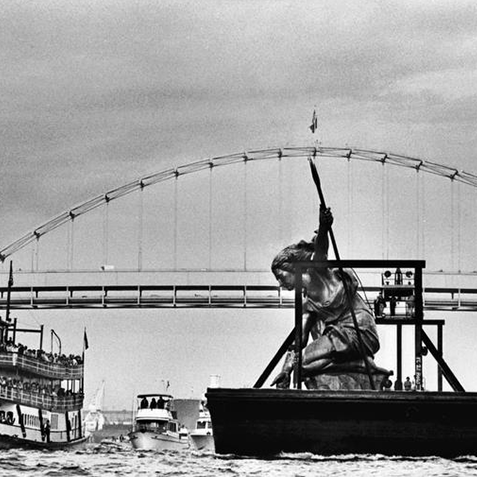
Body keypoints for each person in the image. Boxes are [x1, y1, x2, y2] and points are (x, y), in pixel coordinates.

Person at [270, 206, 380, 388]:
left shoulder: (319, 273)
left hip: (361, 328)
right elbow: (300, 340)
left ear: (293, 268)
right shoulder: (308, 306)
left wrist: (323, 227)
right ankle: (356, 363)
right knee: (300, 366)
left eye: (281, 277)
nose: (281, 284)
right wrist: (286, 369)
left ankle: (355, 361)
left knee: (305, 361)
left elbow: (321, 251)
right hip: (338, 337)